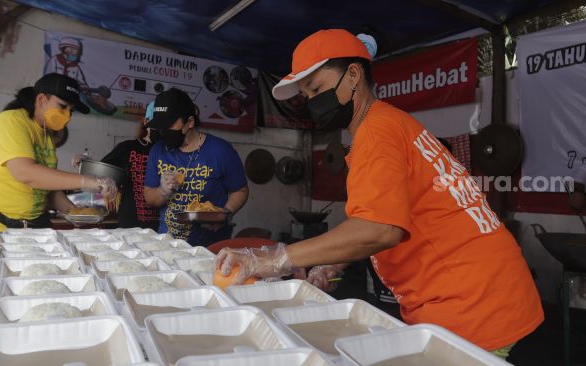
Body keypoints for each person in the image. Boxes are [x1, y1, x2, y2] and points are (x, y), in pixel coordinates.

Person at [216, 29, 543, 358]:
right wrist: (330, 264)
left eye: (317, 88)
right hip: (492, 289)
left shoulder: (377, 131)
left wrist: (275, 259)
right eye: (306, 94)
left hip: (471, 304)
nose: (313, 102)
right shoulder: (389, 123)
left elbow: (378, 229)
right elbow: (379, 216)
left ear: (354, 75)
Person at [0, 73, 117, 281]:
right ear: (41, 100)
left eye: (71, 111)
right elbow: (26, 173)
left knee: (35, 288)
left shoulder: (46, 136)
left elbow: (47, 189)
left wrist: (75, 213)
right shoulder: (11, 122)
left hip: (30, 229)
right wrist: (87, 181)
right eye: (62, 106)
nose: (67, 115)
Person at [144, 88, 249, 246]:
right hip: (167, 246)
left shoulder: (220, 150)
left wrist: (225, 214)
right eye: (160, 126)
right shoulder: (158, 150)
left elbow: (240, 191)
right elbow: (150, 197)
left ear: (190, 122)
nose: (163, 131)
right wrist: (163, 191)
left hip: (211, 247)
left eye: (169, 125)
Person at [74, 103, 160, 228]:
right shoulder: (128, 148)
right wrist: (83, 163)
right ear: (146, 121)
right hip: (130, 223)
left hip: (161, 224)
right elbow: (98, 173)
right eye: (158, 123)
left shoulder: (169, 152)